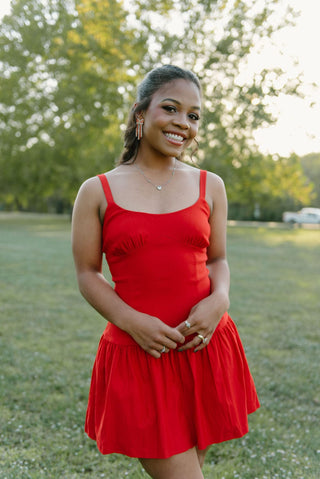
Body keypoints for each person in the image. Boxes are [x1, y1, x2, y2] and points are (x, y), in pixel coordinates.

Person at [71, 65, 260, 479]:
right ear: (141, 113)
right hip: (141, 356)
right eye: (171, 108)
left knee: (195, 467)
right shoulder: (96, 190)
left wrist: (220, 299)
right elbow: (87, 273)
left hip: (205, 347)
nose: (183, 124)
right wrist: (131, 320)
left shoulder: (211, 185)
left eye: (194, 116)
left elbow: (217, 260)